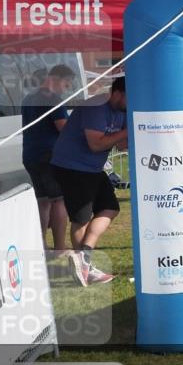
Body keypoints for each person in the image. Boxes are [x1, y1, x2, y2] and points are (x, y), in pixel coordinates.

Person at [50, 76, 127, 286]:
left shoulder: (121, 111)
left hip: (92, 168)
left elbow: (122, 145)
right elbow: (96, 144)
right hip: (71, 167)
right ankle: (84, 267)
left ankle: (83, 257)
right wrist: (127, 131)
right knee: (81, 219)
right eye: (130, 98)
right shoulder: (95, 108)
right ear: (118, 93)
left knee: (110, 207)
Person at [21, 64, 76, 254]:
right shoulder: (53, 99)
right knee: (59, 200)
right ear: (57, 79)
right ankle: (60, 247)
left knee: (43, 201)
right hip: (50, 156)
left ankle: (41, 245)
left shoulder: (29, 98)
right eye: (66, 84)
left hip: (30, 155)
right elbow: (64, 128)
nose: (66, 89)